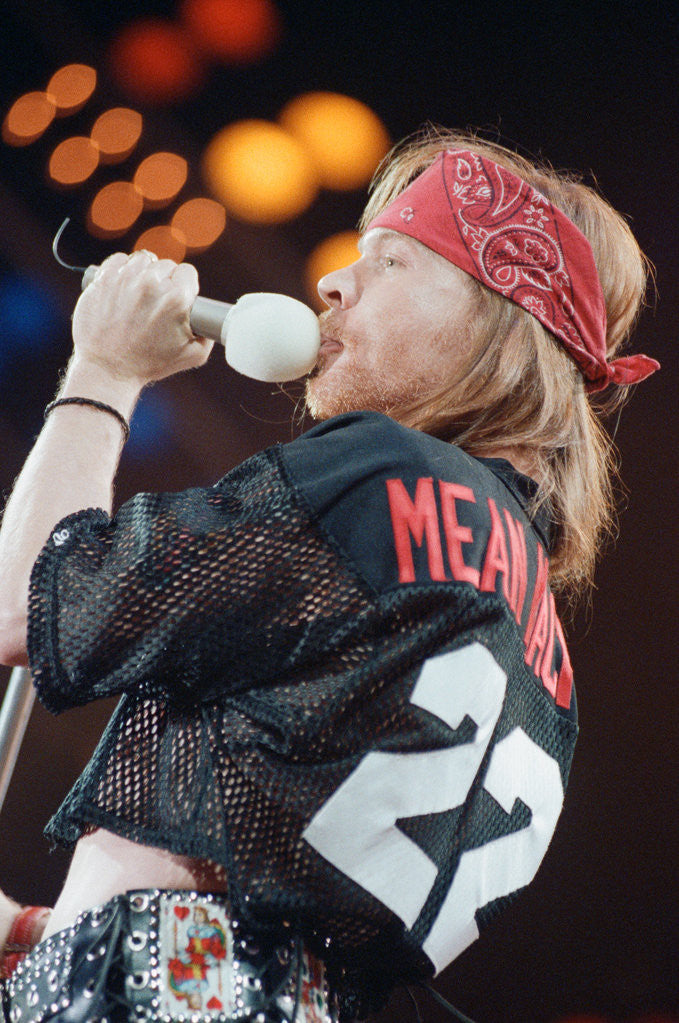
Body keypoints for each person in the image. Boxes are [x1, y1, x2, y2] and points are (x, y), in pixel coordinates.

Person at [0, 129, 659, 1023]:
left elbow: (26, 604)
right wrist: (47, 933)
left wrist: (103, 369)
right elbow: (290, 919)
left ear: (496, 320)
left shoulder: (388, 471)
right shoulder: (540, 651)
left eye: (390, 260)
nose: (335, 284)